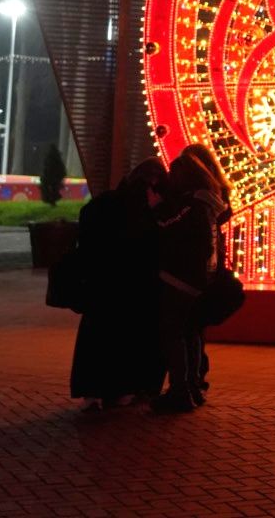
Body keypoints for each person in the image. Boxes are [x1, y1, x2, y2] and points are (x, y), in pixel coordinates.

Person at [69, 159, 168, 412]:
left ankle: (91, 391)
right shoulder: (144, 213)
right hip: (130, 287)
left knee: (95, 336)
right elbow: (147, 250)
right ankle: (121, 389)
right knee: (125, 337)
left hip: (98, 283)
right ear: (151, 186)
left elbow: (85, 240)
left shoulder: (101, 204)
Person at [149, 150, 224, 414]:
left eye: (174, 173)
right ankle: (191, 386)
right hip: (200, 279)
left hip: (182, 278)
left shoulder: (192, 205)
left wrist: (156, 206)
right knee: (190, 333)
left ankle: (180, 390)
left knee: (173, 333)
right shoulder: (209, 202)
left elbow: (166, 223)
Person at [177, 143, 233, 396]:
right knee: (197, 326)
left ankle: (190, 380)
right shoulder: (218, 192)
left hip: (192, 266)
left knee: (186, 327)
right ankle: (198, 375)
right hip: (213, 261)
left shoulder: (193, 198)